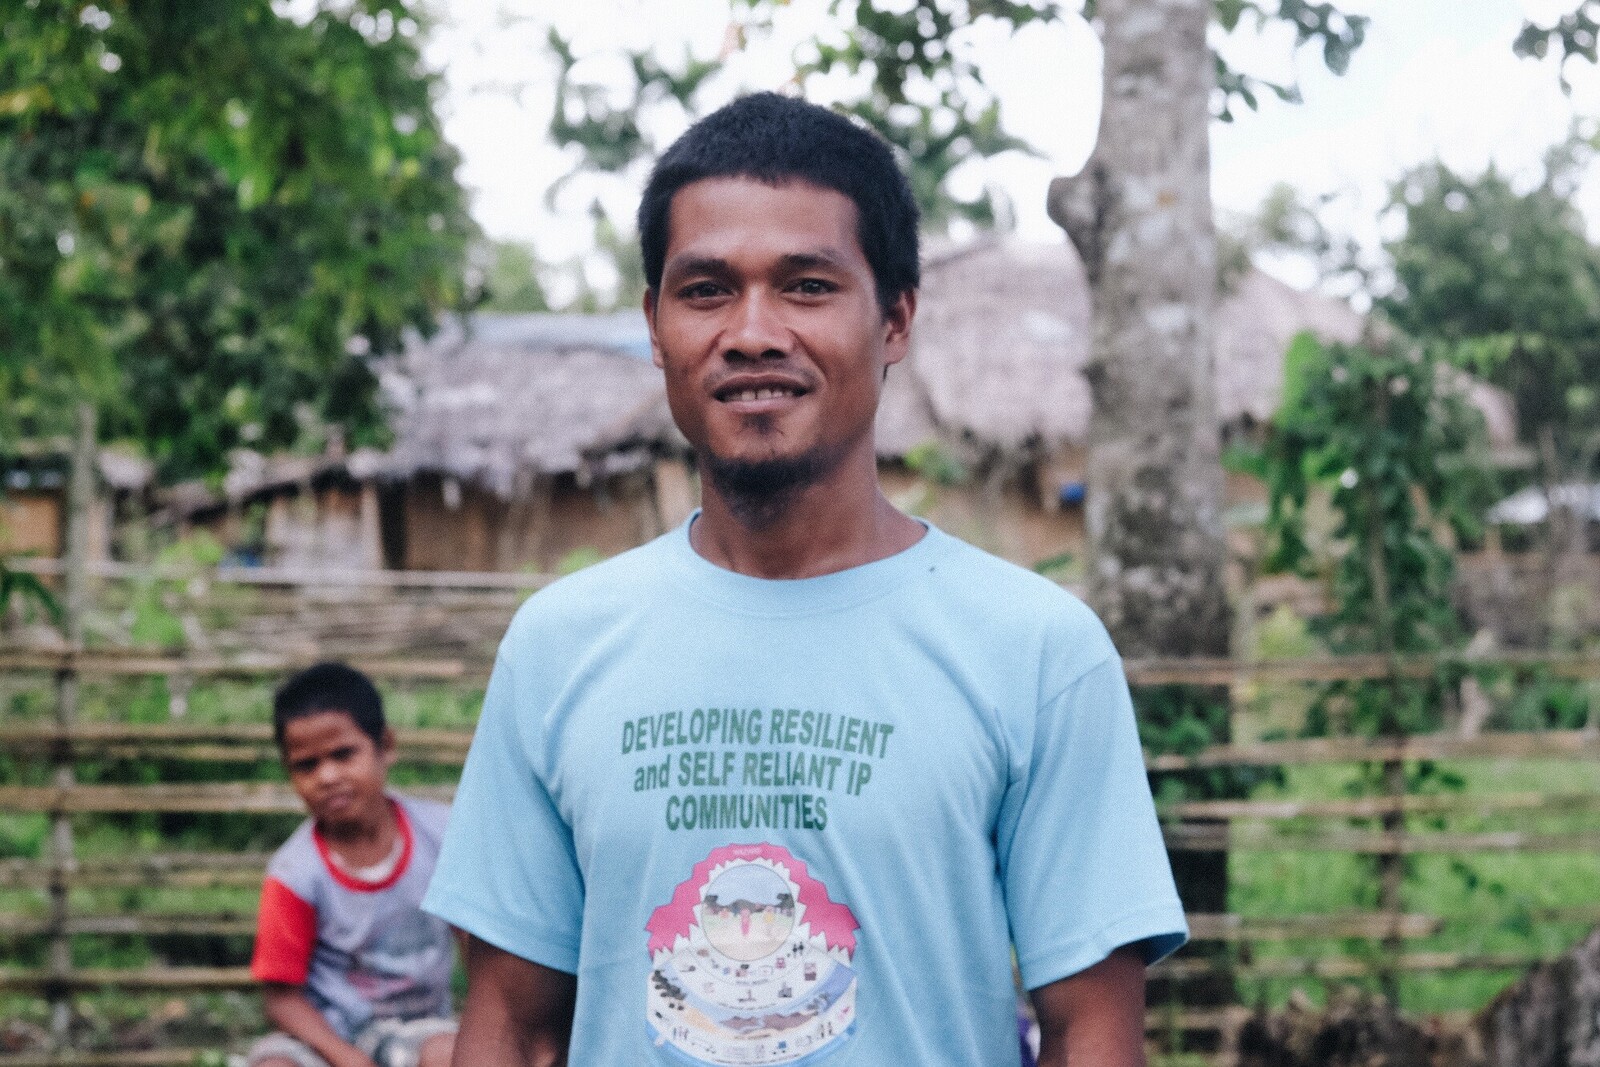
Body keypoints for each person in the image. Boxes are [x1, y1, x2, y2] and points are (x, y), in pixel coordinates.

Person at [423, 91, 1187, 1067]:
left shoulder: (1033, 648)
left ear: (895, 318)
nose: (751, 331)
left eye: (806, 285)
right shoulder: (558, 644)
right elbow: (513, 1026)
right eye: (705, 289)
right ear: (654, 325)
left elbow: (1092, 1031)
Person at [248, 662, 457, 1067]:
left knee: (453, 1056)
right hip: (325, 1036)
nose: (327, 776)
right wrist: (347, 1059)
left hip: (422, 1027)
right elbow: (281, 997)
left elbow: (478, 945)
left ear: (386, 747)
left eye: (343, 754)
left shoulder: (441, 837)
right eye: (306, 765)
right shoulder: (294, 874)